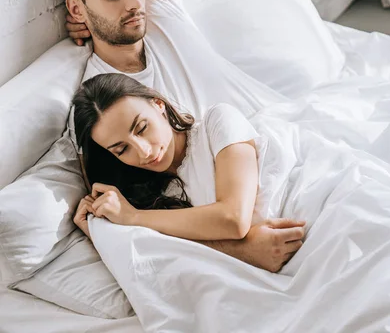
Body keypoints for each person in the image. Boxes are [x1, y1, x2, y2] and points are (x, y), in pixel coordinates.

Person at [58, 0, 305, 272]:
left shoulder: (160, 13)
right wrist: (241, 249)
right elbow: (125, 214)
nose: (133, 5)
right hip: (250, 197)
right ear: (76, 7)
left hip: (292, 130)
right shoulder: (100, 106)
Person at [72, 73, 305, 271]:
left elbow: (233, 219)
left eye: (142, 128)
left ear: (157, 104)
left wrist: (133, 217)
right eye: (122, 149)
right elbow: (154, 265)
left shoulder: (218, 123)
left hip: (308, 209)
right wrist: (99, 233)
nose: (143, 152)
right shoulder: (150, 200)